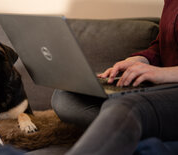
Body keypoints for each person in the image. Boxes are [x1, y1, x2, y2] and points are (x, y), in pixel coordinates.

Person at [51, 0, 178, 154]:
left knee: (124, 106)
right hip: (161, 88)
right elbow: (163, 44)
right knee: (67, 95)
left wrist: (164, 74)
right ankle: (127, 133)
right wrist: (138, 60)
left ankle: (124, 131)